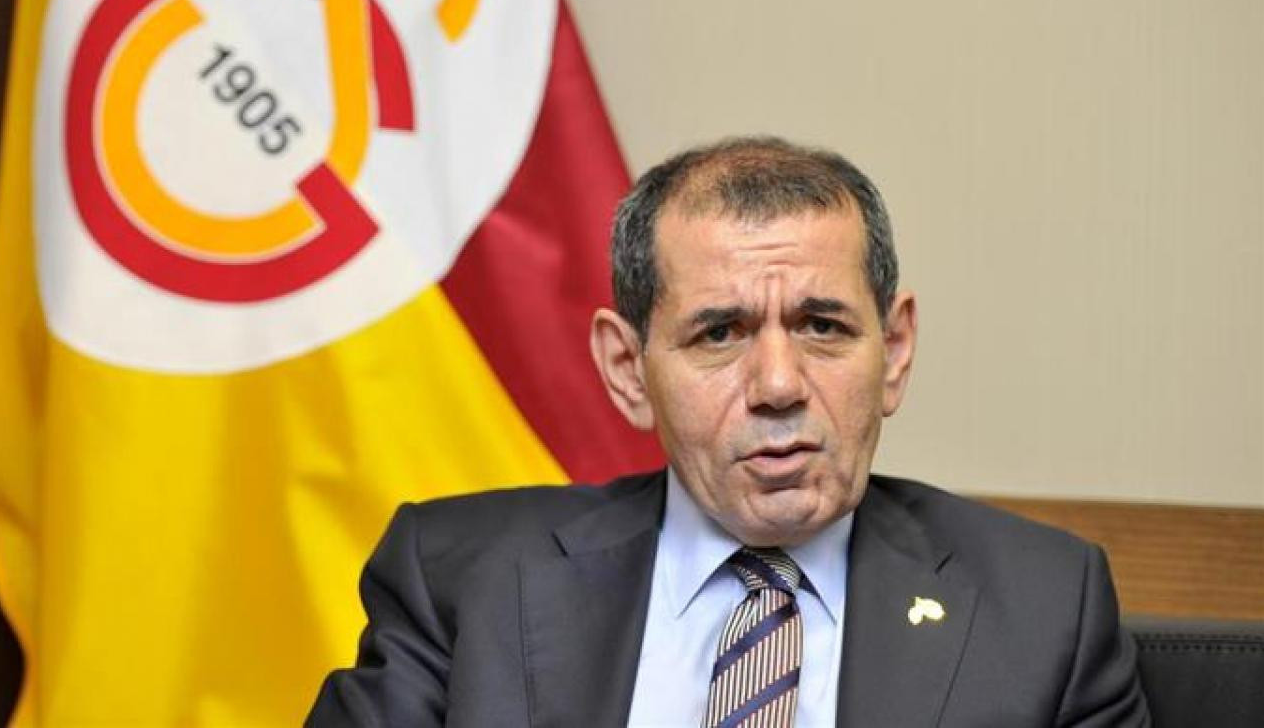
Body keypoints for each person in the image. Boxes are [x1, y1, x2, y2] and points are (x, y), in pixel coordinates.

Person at [306, 137, 1148, 727]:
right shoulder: (459, 580)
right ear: (628, 368)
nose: (779, 385)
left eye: (822, 326)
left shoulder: (1043, 610)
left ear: (893, 352)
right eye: (719, 333)